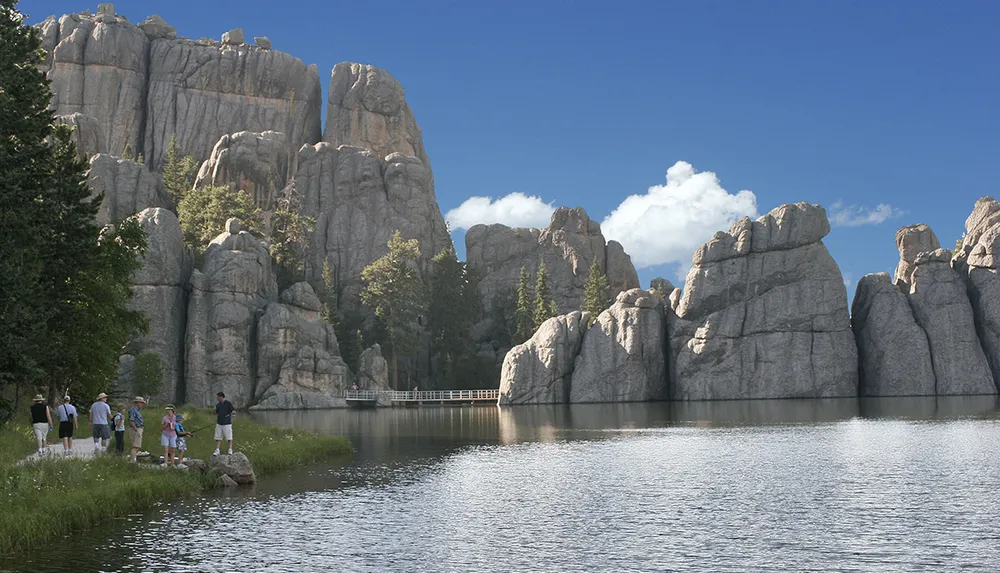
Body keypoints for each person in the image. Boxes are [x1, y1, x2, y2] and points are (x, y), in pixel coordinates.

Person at [213, 392, 235, 456]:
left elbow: (233, 410)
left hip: (227, 423)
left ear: (221, 397)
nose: (217, 398)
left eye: (218, 397)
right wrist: (214, 410)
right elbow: (215, 413)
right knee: (218, 437)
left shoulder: (228, 403)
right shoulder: (218, 405)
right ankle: (217, 450)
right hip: (219, 423)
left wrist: (233, 415)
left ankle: (230, 450)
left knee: (229, 437)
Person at [128, 396, 146, 462]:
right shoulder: (133, 410)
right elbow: (131, 420)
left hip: (139, 428)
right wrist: (136, 429)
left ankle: (133, 458)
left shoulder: (137, 410)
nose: (142, 404)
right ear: (137, 403)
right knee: (135, 446)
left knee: (137, 445)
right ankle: (133, 460)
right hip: (136, 428)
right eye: (141, 403)